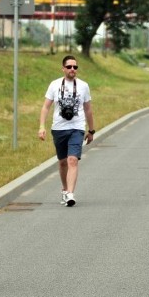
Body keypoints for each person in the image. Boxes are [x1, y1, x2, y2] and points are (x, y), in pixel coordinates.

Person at [38, 55, 96, 207]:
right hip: (59, 128)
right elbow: (46, 107)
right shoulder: (55, 85)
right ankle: (64, 190)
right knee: (63, 162)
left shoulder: (83, 86)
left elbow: (88, 109)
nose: (72, 70)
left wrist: (91, 130)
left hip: (77, 127)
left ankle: (70, 193)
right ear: (63, 68)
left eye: (75, 67)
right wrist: (42, 126)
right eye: (69, 67)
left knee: (72, 160)